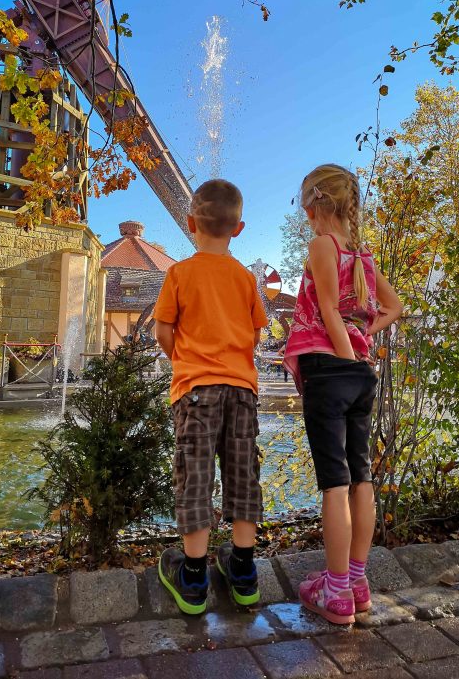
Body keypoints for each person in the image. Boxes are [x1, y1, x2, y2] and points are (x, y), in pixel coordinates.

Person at [283, 164, 402, 625]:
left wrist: (342, 348)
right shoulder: (363, 257)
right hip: (359, 376)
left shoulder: (321, 246)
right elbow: (394, 307)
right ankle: (355, 581)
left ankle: (335, 593)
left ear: (315, 206)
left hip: (330, 371)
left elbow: (329, 309)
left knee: (334, 481)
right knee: (361, 477)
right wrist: (362, 338)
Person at [154, 179, 268, 615]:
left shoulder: (179, 273)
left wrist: (184, 359)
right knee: (242, 474)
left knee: (195, 476)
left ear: (189, 223)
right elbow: (256, 332)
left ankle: (195, 578)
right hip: (242, 392)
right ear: (238, 229)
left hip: (195, 391)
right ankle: (243, 573)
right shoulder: (244, 277)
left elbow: (164, 330)